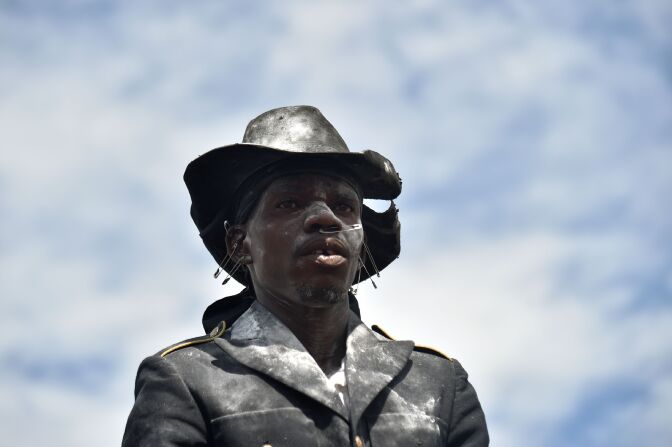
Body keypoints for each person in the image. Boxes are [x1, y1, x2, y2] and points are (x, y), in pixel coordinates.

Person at [122, 105, 489, 446]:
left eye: (343, 206)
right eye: (289, 203)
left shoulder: (438, 385)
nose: (325, 218)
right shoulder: (186, 380)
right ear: (239, 244)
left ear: (361, 241)